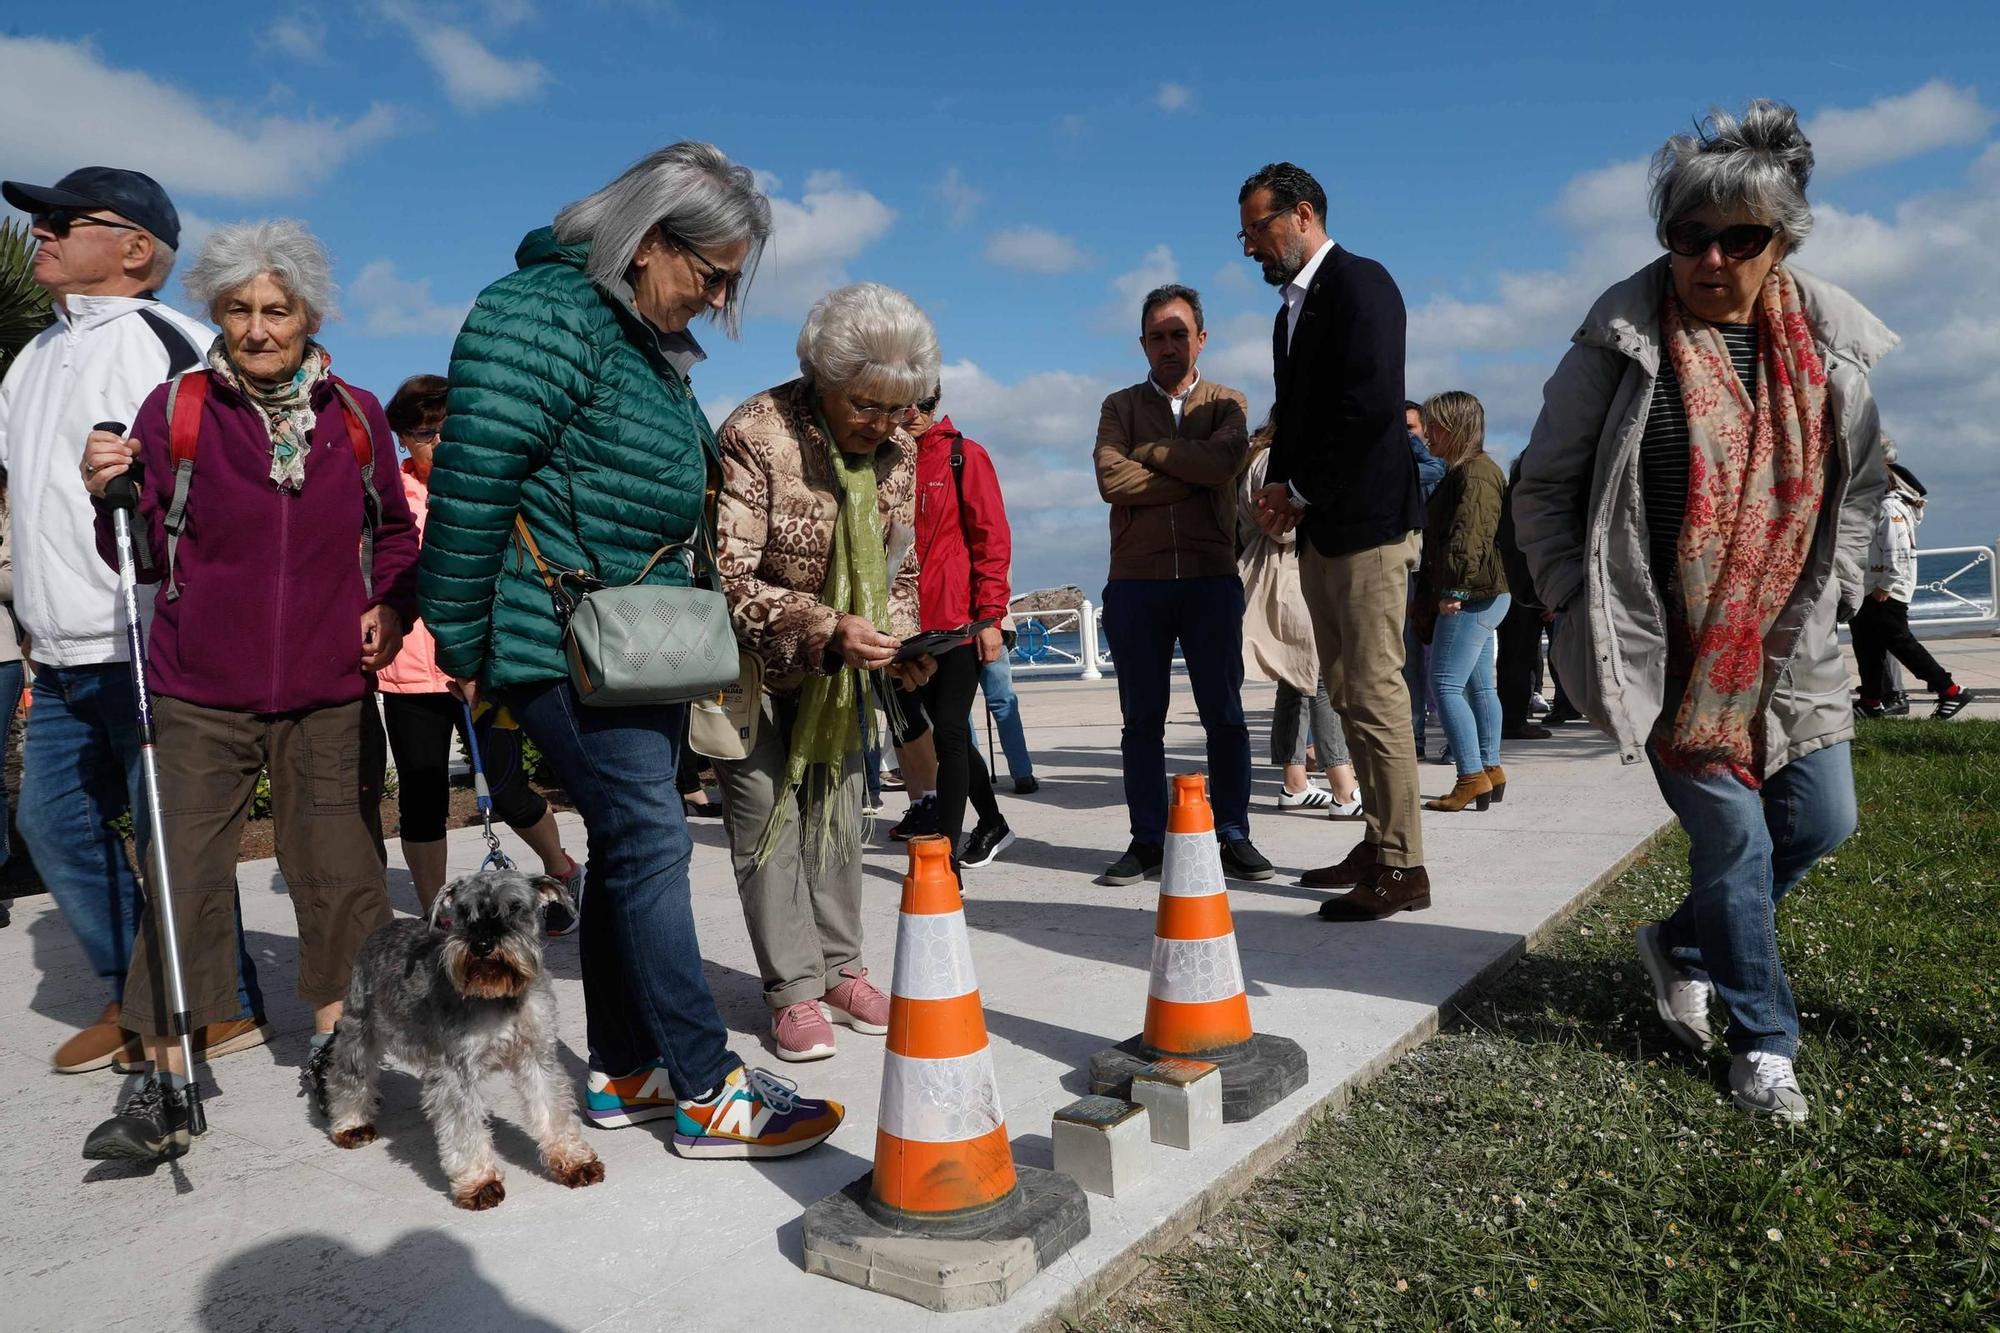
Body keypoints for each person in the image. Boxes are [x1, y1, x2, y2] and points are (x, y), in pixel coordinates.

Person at [418, 142, 843, 1157]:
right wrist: (465, 645)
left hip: (633, 645)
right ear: (650, 242)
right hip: (565, 641)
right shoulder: (540, 316)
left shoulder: (632, 336)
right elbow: (472, 487)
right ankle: (706, 1088)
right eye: (711, 274)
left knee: (624, 851)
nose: (715, 297)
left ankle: (625, 1069)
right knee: (651, 841)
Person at [1514, 101, 1890, 1121]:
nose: (1710, 257)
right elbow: (1541, 485)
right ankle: (1763, 1041)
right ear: (1664, 241)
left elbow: (1858, 489)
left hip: (1788, 640)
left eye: (1739, 238)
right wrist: (1565, 594)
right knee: (1735, 841)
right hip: (1666, 645)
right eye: (1687, 236)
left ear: (1781, 243)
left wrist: (1842, 587)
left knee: (1820, 821)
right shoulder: (1620, 341)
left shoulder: (1827, 347)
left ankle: (1679, 942)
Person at [77, 219, 417, 1161]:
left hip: (326, 685)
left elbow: (394, 535)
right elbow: (135, 552)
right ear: (216, 313)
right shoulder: (175, 408)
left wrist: (389, 607)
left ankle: (337, 1052)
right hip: (196, 685)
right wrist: (105, 489)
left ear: (309, 313)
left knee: (339, 872)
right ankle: (165, 1080)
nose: (259, 328)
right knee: (180, 870)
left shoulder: (355, 414)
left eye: (278, 309)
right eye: (239, 309)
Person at [0, 166, 267, 1073]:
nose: (38, 230)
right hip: (61, 645)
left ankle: (218, 1001)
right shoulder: (30, 359)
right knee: (53, 825)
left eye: (60, 219)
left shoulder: (178, 342)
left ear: (135, 247)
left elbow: (232, 486)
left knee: (173, 831)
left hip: (150, 637)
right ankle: (138, 990)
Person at [713, 282, 934, 1063]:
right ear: (823, 379)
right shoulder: (756, 433)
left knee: (841, 813)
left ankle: (843, 969)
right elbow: (726, 576)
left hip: (841, 676)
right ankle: (795, 990)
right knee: (766, 818)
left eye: (898, 409)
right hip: (748, 668)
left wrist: (900, 643)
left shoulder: (898, 452)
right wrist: (824, 626)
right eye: (866, 405)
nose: (882, 425)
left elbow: (898, 570)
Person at [1242, 162, 1429, 919]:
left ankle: (1403, 864)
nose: (1251, 245)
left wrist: (1302, 490)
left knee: (1375, 690)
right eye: (1246, 231)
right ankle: (1380, 842)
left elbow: (1371, 406)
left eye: (1260, 227)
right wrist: (1281, 494)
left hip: (1370, 526)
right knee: (1346, 689)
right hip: (1323, 528)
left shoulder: (1361, 285)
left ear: (1305, 214)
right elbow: (1296, 414)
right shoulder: (1292, 311)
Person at [374, 374, 585, 921]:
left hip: (484, 668)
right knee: (422, 797)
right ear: (402, 438)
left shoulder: (490, 485)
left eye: (448, 430)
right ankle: (434, 917)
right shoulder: (384, 496)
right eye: (424, 434)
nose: (439, 444)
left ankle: (560, 869)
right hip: (408, 671)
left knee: (509, 790)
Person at [1095, 283, 1271, 886]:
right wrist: (1190, 468)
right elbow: (1112, 481)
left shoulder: (1227, 403)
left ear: (1201, 337)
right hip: (1136, 583)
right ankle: (1146, 839)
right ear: (1143, 343)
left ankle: (1233, 833)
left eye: (1178, 333)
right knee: (1141, 720)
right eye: (1156, 336)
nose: (1168, 346)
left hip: (1209, 578)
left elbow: (1224, 464)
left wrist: (1153, 454)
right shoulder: (1118, 406)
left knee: (1224, 715)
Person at [904, 386, 1016, 869]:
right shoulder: (885, 461)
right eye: (898, 403)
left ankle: (943, 858)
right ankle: (993, 823)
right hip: (907, 624)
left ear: (933, 404)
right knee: (946, 733)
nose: (908, 415)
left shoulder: (963, 455)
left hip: (959, 621)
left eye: (918, 405)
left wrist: (990, 617)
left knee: (949, 731)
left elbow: (992, 538)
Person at [1238, 416, 1362, 816]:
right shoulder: (1275, 462)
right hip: (1290, 575)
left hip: (1282, 575)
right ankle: (1344, 788)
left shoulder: (1257, 458)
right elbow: (1279, 527)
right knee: (1320, 676)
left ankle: (1294, 782)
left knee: (1296, 683)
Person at [1414, 391, 1510, 812]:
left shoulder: (1474, 473)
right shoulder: (1473, 470)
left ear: (1453, 428)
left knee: (1445, 684)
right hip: (1485, 592)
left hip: (1471, 594)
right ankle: (1489, 769)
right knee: (1478, 684)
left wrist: (1454, 590)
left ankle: (1470, 775)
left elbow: (1470, 536)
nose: (1428, 434)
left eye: (1434, 425)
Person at [1851, 462, 1974, 719]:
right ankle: (1870, 701)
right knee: (1867, 645)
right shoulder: (1879, 506)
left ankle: (1950, 690)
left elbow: (1898, 551)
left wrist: (1886, 585)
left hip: (1883, 590)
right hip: (1869, 587)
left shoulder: (1888, 508)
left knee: (1901, 643)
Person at [1402, 398, 1447, 757]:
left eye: (1410, 428)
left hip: (1431, 574)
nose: (1404, 436)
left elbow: (1437, 470)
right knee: (1409, 663)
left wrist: (1412, 447)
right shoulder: (1396, 468)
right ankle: (1414, 740)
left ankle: (1456, 741)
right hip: (1403, 573)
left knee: (1447, 666)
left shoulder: (1428, 468)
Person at [979, 620, 1039, 793]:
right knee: (1004, 704)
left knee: (961, 708)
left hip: (959, 633)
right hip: (993, 628)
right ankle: (1022, 774)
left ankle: (972, 773)